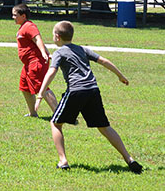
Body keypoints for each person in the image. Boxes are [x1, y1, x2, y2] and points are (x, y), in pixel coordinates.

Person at [35, 20, 143, 174]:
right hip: (92, 90)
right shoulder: (82, 49)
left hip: (76, 91)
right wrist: (120, 76)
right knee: (104, 127)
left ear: (57, 37)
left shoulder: (59, 52)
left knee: (55, 123)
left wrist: (40, 94)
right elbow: (104, 61)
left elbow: (52, 72)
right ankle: (129, 158)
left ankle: (63, 160)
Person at [12, 4, 58, 117]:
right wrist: (46, 52)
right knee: (25, 88)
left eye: (15, 15)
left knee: (42, 87)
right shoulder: (23, 26)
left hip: (36, 62)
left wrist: (43, 53)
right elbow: (35, 41)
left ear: (23, 16)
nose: (13, 17)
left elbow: (38, 39)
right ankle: (33, 113)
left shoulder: (29, 26)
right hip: (28, 64)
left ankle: (60, 114)